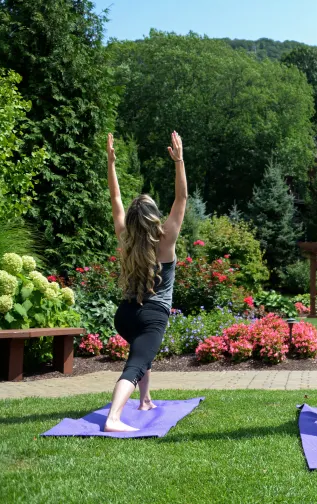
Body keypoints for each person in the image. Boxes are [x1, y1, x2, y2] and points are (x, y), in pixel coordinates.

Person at [103, 131, 187, 432]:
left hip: (124, 316)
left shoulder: (125, 238)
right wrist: (179, 161)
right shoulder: (166, 243)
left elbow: (115, 198)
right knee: (136, 364)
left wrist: (110, 163)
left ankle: (145, 399)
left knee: (141, 352)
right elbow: (181, 198)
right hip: (152, 316)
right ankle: (113, 418)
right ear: (154, 218)